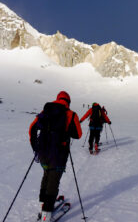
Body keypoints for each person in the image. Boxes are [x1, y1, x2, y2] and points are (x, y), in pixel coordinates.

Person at [29, 91, 82, 222]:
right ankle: (47, 214)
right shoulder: (71, 114)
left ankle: (43, 203)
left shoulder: (46, 110)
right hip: (58, 154)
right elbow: (78, 135)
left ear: (57, 99)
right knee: (54, 179)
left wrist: (36, 147)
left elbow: (32, 128)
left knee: (46, 173)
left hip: (43, 153)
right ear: (68, 102)